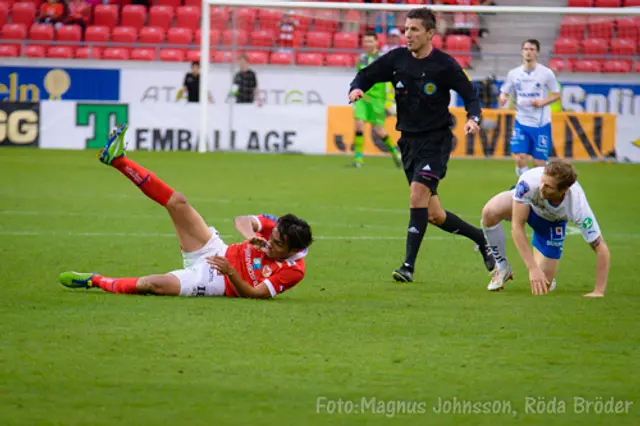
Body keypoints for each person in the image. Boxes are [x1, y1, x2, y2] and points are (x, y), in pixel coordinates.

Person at [59, 124, 313, 299]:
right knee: (178, 202)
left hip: (217, 281)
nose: (270, 244)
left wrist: (230, 271)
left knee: (152, 285)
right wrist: (249, 237)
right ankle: (118, 160)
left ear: (291, 251)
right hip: (216, 249)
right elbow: (241, 220)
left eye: (277, 244)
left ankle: (95, 280)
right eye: (273, 237)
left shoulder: (294, 270)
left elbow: (255, 295)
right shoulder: (275, 227)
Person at [348, 7, 495, 282]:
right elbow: (365, 75)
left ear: (430, 33)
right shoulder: (396, 59)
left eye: (414, 30)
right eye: (406, 29)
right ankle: (481, 239)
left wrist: (473, 117)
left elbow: (469, 94)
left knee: (417, 195)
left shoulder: (445, 65)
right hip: (409, 143)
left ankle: (408, 267)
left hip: (436, 141)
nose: (408, 35)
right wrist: (356, 89)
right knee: (434, 215)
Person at [480, 159, 609, 297]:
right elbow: (517, 227)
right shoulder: (529, 182)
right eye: (542, 181)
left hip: (551, 224)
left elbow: (600, 247)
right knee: (489, 212)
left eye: (548, 186)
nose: (541, 187)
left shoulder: (577, 205)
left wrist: (598, 291)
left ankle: (545, 262)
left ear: (563, 190)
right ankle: (502, 267)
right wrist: (532, 268)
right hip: (527, 205)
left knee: (543, 285)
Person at [499, 39, 561, 179]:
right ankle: (526, 184)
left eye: (532, 49)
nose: (528, 52)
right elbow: (505, 91)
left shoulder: (546, 73)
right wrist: (503, 98)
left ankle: (539, 186)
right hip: (521, 121)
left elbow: (557, 95)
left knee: (539, 164)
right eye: (526, 49)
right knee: (520, 158)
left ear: (537, 53)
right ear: (522, 52)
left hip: (541, 124)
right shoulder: (514, 74)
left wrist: (542, 102)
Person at [352, 30, 401, 168]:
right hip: (363, 96)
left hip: (378, 98)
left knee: (378, 130)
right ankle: (358, 159)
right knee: (359, 123)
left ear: (376, 42)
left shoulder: (383, 59)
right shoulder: (361, 59)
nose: (367, 44)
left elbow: (391, 80)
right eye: (365, 41)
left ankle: (395, 152)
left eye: (370, 41)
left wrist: (390, 100)